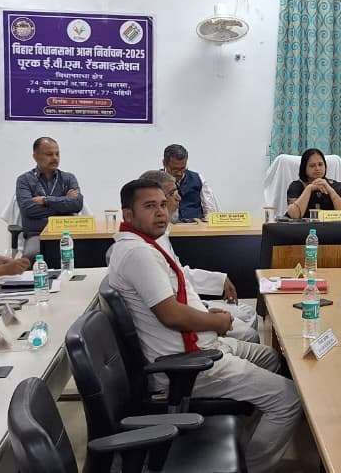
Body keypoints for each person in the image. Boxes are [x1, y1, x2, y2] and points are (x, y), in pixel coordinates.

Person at [107, 179, 300, 472]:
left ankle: (241, 443)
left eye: (163, 204)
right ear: (128, 215)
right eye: (150, 206)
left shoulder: (143, 244)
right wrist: (216, 322)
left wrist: (210, 318)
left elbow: (177, 295)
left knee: (270, 358)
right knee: (289, 397)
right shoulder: (138, 253)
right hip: (188, 364)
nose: (160, 212)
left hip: (198, 346)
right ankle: (250, 466)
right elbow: (171, 314)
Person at [137, 169, 256, 342]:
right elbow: (173, 299)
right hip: (186, 314)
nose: (179, 198)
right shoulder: (147, 245)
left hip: (190, 304)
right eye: (172, 194)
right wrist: (207, 315)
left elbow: (179, 274)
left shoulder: (161, 234)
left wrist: (220, 279)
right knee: (249, 334)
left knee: (248, 312)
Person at [16, 137, 84, 256]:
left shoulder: (68, 178)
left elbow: (77, 204)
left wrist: (45, 200)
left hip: (66, 232)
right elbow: (28, 209)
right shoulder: (24, 180)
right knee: (32, 255)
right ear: (35, 156)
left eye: (57, 154)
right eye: (49, 154)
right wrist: (65, 205)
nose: (55, 158)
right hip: (37, 234)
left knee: (87, 253)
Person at [285, 148, 341, 219]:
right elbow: (294, 215)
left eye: (320, 164)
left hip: (330, 226)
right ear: (304, 168)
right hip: (303, 226)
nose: (317, 168)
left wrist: (330, 190)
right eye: (312, 165)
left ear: (325, 166)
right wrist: (309, 189)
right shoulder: (296, 186)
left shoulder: (337, 186)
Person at [162, 144, 218, 222]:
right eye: (175, 169)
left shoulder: (198, 178)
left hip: (195, 226)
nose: (179, 173)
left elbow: (210, 211)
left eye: (183, 168)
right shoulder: (155, 182)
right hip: (166, 226)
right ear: (164, 163)